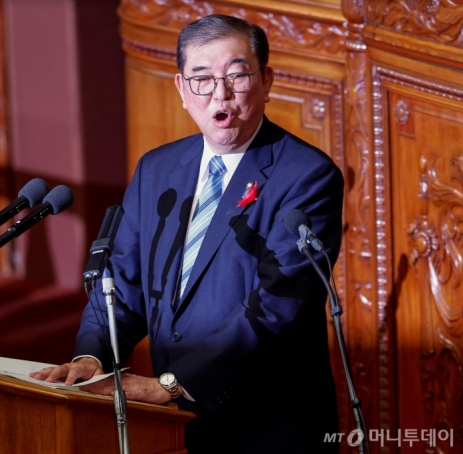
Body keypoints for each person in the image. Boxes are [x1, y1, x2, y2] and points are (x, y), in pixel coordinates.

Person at [31, 14, 343, 453]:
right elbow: (121, 282)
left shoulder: (306, 176)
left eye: (237, 75)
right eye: (202, 78)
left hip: (265, 424)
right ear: (181, 89)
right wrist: (93, 356)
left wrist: (175, 385)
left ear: (267, 81)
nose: (221, 93)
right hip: (175, 425)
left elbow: (278, 305)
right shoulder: (158, 169)